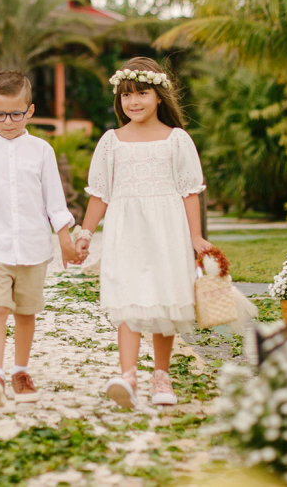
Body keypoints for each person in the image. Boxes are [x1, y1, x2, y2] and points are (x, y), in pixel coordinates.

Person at [75, 57, 211, 409]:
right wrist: (85, 234)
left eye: (142, 94)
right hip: (126, 230)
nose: (133, 102)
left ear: (159, 96)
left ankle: (161, 376)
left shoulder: (176, 140)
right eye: (126, 96)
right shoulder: (111, 142)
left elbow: (189, 191)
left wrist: (195, 237)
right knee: (128, 298)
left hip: (167, 231)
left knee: (163, 298)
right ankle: (128, 374)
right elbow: (100, 194)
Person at [0, 71, 79, 407]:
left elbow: (55, 204)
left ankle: (20, 370)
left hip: (33, 247)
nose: (7, 121)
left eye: (15, 113)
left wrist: (65, 242)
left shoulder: (42, 151)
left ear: (29, 111)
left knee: (26, 312)